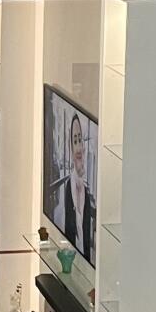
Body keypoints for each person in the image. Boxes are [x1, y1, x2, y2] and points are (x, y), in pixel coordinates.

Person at [49, 107, 96, 266]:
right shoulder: (66, 189)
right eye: (74, 140)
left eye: (80, 139)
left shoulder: (87, 193)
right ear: (70, 146)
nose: (78, 147)